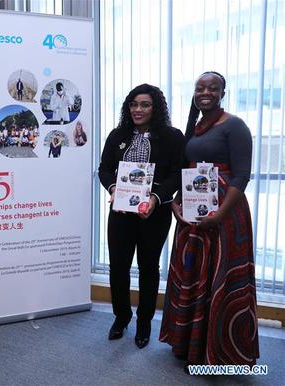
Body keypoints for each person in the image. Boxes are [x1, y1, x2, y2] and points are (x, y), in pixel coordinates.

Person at [159, 71, 259, 368]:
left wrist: (220, 215)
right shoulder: (196, 126)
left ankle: (218, 352)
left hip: (225, 215)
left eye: (212, 88)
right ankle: (188, 345)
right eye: (200, 87)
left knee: (219, 277)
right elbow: (186, 169)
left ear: (222, 93)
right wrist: (176, 201)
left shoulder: (235, 126)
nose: (206, 92)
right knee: (192, 273)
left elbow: (242, 175)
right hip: (193, 212)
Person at [98, 84, 185, 349]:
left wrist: (155, 198)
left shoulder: (172, 136)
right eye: (134, 104)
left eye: (145, 104)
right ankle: (121, 316)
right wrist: (114, 188)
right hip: (122, 213)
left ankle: (144, 321)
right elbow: (104, 169)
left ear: (155, 107)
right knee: (119, 267)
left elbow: (176, 173)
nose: (138, 109)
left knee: (148, 268)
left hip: (155, 214)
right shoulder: (118, 134)